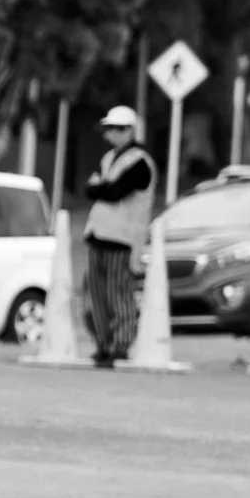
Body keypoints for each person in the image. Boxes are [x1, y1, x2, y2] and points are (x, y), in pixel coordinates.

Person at [82, 107, 154, 368]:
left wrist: (101, 188)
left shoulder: (140, 162)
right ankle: (103, 344)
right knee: (96, 295)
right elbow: (90, 189)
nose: (112, 133)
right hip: (97, 235)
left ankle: (120, 345)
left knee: (118, 294)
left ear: (130, 131)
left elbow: (115, 191)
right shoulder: (108, 158)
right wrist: (102, 188)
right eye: (110, 128)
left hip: (121, 240)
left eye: (118, 128)